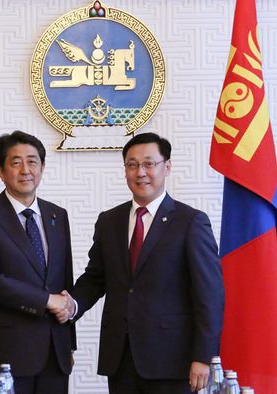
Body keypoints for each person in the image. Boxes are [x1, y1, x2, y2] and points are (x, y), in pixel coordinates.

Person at [64, 132, 224, 394]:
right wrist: (72, 304)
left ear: (167, 167)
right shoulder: (109, 221)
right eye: (132, 164)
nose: (141, 172)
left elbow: (210, 295)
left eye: (149, 164)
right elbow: (95, 278)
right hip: (120, 358)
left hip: (173, 360)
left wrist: (203, 356)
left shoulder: (190, 222)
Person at [0, 130, 75, 394]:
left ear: (42, 167)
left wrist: (68, 344)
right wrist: (46, 300)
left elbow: (64, 281)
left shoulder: (57, 216)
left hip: (54, 354)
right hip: (7, 353)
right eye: (15, 162)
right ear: (1, 171)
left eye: (32, 161)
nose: (25, 170)